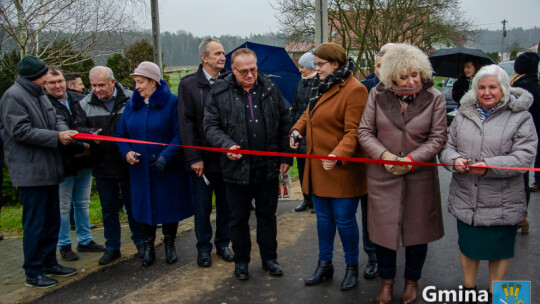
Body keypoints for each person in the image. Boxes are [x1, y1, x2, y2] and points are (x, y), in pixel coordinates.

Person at [357, 43, 447, 304]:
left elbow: (438, 138)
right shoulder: (376, 94)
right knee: (383, 234)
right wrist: (384, 157)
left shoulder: (435, 97)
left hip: (419, 177)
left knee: (418, 234)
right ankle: (387, 283)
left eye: (415, 74)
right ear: (390, 76)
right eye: (403, 76)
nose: (411, 81)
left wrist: (411, 160)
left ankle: (411, 282)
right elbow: (365, 132)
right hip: (383, 176)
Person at [440, 64, 536, 300]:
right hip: (467, 197)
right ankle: (469, 290)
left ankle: (497, 294)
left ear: (504, 88)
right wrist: (456, 160)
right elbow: (446, 148)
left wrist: (489, 166)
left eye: (492, 87)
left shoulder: (521, 117)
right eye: (481, 87)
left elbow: (524, 157)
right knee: (469, 248)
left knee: (499, 251)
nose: (487, 92)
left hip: (503, 199)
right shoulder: (463, 114)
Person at [204, 48, 292, 280]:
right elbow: (210, 126)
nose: (250, 75)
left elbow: (285, 122)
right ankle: (241, 261)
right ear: (233, 70)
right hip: (236, 168)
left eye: (253, 69)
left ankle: (269, 259)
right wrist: (226, 145)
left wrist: (285, 157)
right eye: (244, 71)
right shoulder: (219, 91)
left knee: (267, 216)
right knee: (238, 218)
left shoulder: (271, 88)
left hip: (267, 167)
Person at [290, 43, 368, 291]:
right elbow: (307, 113)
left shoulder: (355, 90)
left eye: (320, 64)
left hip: (341, 169)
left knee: (344, 221)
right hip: (317, 167)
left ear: (335, 64)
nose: (316, 68)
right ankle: (325, 265)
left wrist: (337, 154)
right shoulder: (320, 85)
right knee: (323, 219)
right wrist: (296, 129)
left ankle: (351, 267)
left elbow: (354, 132)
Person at [0, 55, 78, 288]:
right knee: (35, 223)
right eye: (44, 74)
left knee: (51, 220)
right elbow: (20, 131)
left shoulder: (40, 94)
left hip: (49, 168)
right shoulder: (13, 97)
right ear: (36, 76)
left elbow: (56, 119)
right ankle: (32, 271)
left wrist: (65, 132)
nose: (48, 77)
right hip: (30, 171)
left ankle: (49, 262)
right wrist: (56, 137)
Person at [116, 61, 194, 267]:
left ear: (153, 82)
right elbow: (121, 134)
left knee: (168, 207)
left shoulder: (172, 102)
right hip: (140, 170)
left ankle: (169, 245)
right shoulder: (132, 105)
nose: (137, 87)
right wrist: (127, 152)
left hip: (166, 169)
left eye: (140, 82)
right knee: (142, 208)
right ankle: (148, 247)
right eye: (135, 82)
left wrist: (166, 156)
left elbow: (180, 134)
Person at [73, 66, 143, 265]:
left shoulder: (131, 98)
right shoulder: (84, 104)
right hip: (102, 163)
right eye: (93, 85)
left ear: (113, 82)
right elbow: (77, 128)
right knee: (109, 209)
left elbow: (140, 122)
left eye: (101, 85)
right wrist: (90, 134)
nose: (97, 89)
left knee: (133, 206)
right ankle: (112, 247)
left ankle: (140, 242)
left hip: (130, 163)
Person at [178, 38, 234, 268]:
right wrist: (194, 157)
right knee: (202, 207)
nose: (223, 57)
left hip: (227, 158)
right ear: (204, 58)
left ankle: (223, 244)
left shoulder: (231, 81)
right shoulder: (188, 85)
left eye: (223, 53)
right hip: (202, 160)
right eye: (218, 53)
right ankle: (203, 248)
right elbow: (185, 123)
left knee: (226, 205)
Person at [44, 66, 105, 262]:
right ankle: (64, 245)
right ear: (45, 85)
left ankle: (85, 240)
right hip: (63, 162)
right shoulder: (45, 104)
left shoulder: (76, 98)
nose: (57, 86)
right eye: (52, 83)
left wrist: (87, 148)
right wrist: (82, 147)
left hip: (84, 162)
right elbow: (58, 130)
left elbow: (84, 123)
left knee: (82, 203)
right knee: (63, 207)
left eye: (60, 81)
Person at [511, 52, 540, 234]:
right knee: (523, 177)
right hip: (532, 139)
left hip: (518, 139)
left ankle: (519, 218)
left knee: (516, 180)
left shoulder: (520, 87)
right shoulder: (535, 84)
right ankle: (522, 217)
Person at [290, 51, 317, 213]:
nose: (300, 70)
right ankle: (306, 199)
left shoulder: (319, 84)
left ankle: (316, 200)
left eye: (303, 67)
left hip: (312, 135)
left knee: (313, 170)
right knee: (301, 169)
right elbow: (296, 107)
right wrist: (293, 128)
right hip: (299, 135)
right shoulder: (301, 84)